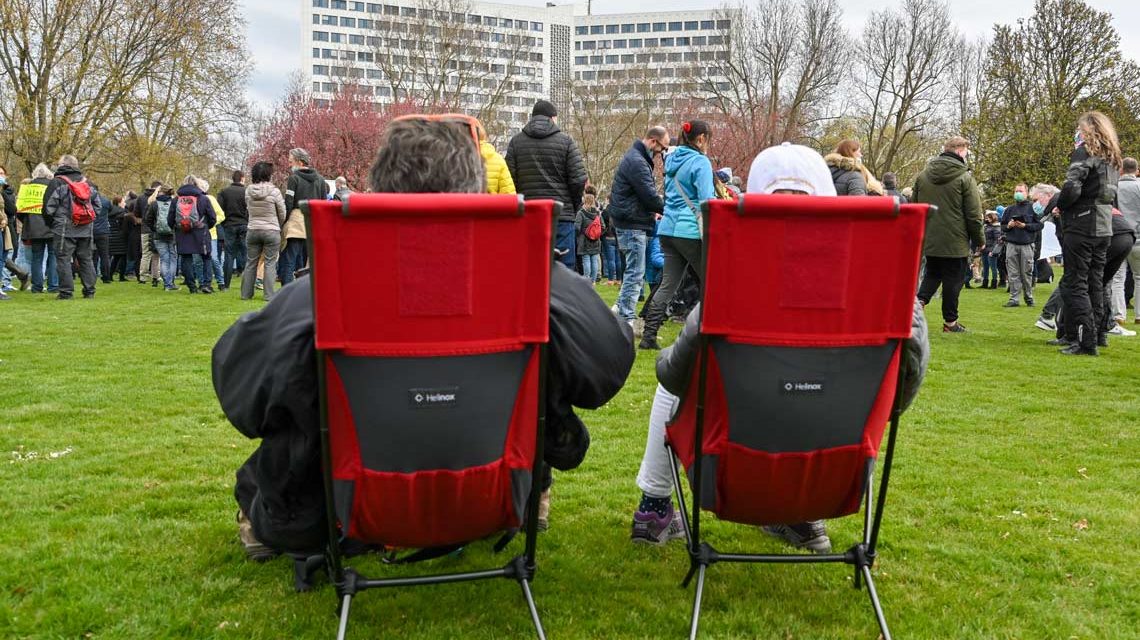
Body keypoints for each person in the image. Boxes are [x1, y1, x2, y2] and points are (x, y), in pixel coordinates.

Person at [213, 117, 634, 558]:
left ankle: (271, 516)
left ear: (380, 186)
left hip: (352, 499)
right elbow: (608, 361)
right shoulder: (529, 279)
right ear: (474, 186)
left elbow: (242, 392)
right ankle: (533, 492)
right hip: (497, 491)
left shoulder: (328, 289)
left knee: (300, 398)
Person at [630, 142, 930, 550]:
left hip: (734, 463)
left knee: (674, 383)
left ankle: (653, 506)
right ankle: (802, 517)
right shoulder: (883, 294)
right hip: (836, 465)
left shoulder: (733, 290)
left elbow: (671, 373)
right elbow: (903, 387)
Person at [639, 120, 714, 350]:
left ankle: (649, 336)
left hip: (668, 229)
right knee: (712, 282)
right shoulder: (700, 162)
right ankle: (708, 335)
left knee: (668, 284)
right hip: (689, 231)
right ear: (701, 139)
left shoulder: (671, 160)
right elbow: (706, 202)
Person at [1054, 111, 1122, 356]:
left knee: (1076, 281)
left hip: (1082, 223)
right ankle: (1098, 334)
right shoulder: (1113, 159)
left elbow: (1072, 186)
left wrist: (1061, 205)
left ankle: (1084, 339)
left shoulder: (1085, 153)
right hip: (1104, 225)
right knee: (1096, 281)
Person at [505, 100, 588, 271]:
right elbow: (578, 179)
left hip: (529, 214)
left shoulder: (516, 142)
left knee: (529, 266)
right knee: (563, 269)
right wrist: (573, 204)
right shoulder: (566, 142)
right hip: (561, 215)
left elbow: (509, 179)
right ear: (553, 118)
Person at [914, 136, 984, 333]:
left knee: (932, 274)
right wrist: (979, 240)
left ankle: (919, 304)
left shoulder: (922, 176)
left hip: (930, 237)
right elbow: (973, 214)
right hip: (956, 239)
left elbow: (915, 205)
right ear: (961, 151)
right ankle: (950, 322)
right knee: (953, 281)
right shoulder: (965, 178)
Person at [608, 126, 669, 330]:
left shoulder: (635, 158)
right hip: (633, 223)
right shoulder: (638, 162)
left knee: (633, 272)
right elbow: (650, 196)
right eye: (662, 149)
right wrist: (668, 207)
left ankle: (618, 310)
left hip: (629, 222)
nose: (661, 155)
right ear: (653, 142)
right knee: (635, 273)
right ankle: (627, 318)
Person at [41, 155, 98, 299]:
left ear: (62, 165)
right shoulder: (88, 183)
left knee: (63, 260)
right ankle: (89, 291)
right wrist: (88, 221)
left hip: (64, 229)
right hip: (86, 228)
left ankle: (66, 293)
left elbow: (48, 208)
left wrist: (53, 223)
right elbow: (97, 207)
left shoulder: (57, 182)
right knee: (86, 259)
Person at [281, 148, 328, 286]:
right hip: (313, 223)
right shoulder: (320, 180)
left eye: (291, 161)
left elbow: (289, 202)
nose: (289, 164)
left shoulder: (294, 178)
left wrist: (284, 221)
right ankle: (306, 289)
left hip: (296, 222)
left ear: (300, 162)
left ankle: (287, 290)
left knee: (290, 259)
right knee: (308, 261)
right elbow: (324, 203)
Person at [241, 161, 285, 301]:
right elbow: (282, 212)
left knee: (251, 262)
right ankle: (269, 295)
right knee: (270, 263)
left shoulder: (248, 190)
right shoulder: (274, 191)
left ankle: (246, 294)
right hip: (271, 230)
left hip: (253, 229)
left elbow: (248, 208)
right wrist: (278, 224)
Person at [168, 175, 216, 294]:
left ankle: (192, 286)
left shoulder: (176, 200)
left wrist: (178, 228)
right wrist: (205, 226)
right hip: (201, 232)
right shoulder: (203, 198)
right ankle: (206, 284)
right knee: (206, 257)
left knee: (186, 258)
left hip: (182, 233)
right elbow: (212, 217)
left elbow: (170, 219)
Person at [1000, 183, 1043, 307]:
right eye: (1016, 191)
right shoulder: (1009, 209)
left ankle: (1028, 297)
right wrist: (1008, 226)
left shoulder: (1034, 208)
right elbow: (1002, 226)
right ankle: (1014, 299)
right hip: (1011, 244)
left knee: (1026, 272)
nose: (1018, 193)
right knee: (1013, 273)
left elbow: (1040, 225)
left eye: (1021, 191)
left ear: (1026, 193)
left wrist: (1026, 226)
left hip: (1027, 244)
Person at [18, 163, 58, 293]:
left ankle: (37, 287)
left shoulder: (27, 187)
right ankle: (53, 285)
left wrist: (27, 221)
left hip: (33, 228)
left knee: (37, 257)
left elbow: (19, 209)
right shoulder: (53, 185)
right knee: (53, 256)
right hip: (52, 226)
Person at [1112, 157, 1140, 326]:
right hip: (1138, 238)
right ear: (1136, 170)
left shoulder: (1113, 187)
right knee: (1139, 277)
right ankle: (1138, 315)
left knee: (1117, 278)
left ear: (1120, 170)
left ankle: (1118, 314)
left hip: (1118, 236)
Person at [0, 165, 30, 297]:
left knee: (4, 255)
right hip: (5, 224)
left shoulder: (7, 191)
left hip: (6, 226)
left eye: (2, 173)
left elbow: (12, 209)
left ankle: (17, 276)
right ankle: (19, 275)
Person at [218, 171, 249, 291]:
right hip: (243, 224)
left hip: (229, 225)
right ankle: (247, 283)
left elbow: (220, 209)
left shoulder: (224, 192)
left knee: (229, 255)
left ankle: (226, 284)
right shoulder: (247, 192)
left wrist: (224, 223)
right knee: (245, 253)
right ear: (242, 178)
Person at [145, 185, 179, 290]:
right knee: (173, 259)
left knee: (164, 259)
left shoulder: (154, 204)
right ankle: (171, 283)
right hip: (172, 234)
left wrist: (154, 228)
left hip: (158, 235)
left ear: (160, 192)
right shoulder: (174, 203)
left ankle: (166, 285)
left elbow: (148, 219)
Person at [197, 178, 227, 291]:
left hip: (211, 234)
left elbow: (221, 215)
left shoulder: (210, 199)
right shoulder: (193, 199)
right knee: (198, 260)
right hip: (197, 234)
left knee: (213, 258)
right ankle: (201, 282)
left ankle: (221, 282)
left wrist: (211, 223)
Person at [576, 191, 604, 283]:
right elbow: (603, 227)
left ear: (585, 201)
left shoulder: (581, 213)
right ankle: (593, 281)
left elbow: (577, 227)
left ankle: (587, 279)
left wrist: (580, 234)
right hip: (596, 241)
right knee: (594, 261)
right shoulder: (598, 214)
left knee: (586, 260)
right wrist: (596, 234)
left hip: (584, 240)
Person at [136, 181, 161, 286]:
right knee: (156, 255)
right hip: (156, 229)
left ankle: (143, 276)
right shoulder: (159, 198)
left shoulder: (141, 198)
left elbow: (136, 214)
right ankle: (156, 275)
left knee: (146, 254)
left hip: (145, 229)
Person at [478, 126, 515, 195]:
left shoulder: (456, 158)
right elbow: (508, 194)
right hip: (490, 204)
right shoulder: (498, 159)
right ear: (484, 136)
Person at [982, 212, 1003, 289]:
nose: (986, 219)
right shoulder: (986, 226)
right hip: (984, 249)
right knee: (985, 267)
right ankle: (985, 282)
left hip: (991, 249)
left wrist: (993, 251)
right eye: (986, 217)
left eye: (988, 218)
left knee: (993, 267)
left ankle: (994, 283)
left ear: (992, 218)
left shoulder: (996, 227)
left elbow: (996, 241)